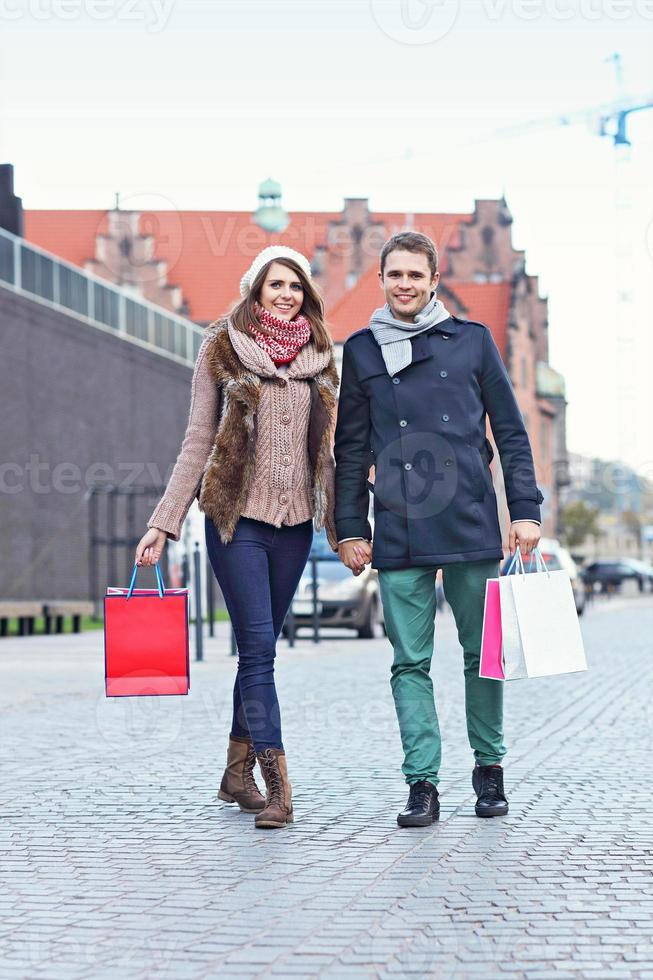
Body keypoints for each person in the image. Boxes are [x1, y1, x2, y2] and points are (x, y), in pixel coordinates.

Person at [334, 232, 542, 827]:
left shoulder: (473, 342)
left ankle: (489, 769)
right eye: (393, 274)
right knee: (409, 662)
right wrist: (350, 524)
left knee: (483, 656)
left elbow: (512, 433)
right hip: (398, 526)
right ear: (382, 280)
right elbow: (350, 449)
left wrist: (524, 510)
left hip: (471, 517)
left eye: (414, 275)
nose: (404, 284)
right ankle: (421, 782)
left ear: (432, 280)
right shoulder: (364, 351)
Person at [135, 246, 339, 829]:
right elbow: (197, 439)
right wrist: (163, 522)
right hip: (235, 521)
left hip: (295, 528)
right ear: (255, 289)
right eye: (276, 284)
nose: (286, 294)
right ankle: (278, 785)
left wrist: (346, 527)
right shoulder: (222, 347)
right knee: (257, 651)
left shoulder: (323, 357)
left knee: (261, 651)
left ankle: (233, 769)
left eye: (295, 286)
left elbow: (329, 452)